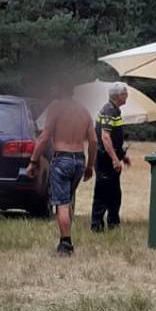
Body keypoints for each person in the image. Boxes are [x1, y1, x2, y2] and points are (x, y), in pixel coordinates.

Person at [28, 83, 96, 256]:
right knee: (68, 199)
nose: (52, 90)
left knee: (62, 204)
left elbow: (44, 137)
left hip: (62, 158)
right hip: (79, 160)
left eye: (54, 88)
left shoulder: (56, 108)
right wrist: (89, 166)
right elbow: (94, 141)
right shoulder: (84, 110)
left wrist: (33, 161)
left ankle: (66, 244)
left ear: (60, 89)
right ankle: (67, 235)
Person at [92, 82, 130, 232]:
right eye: (125, 93)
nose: (126, 96)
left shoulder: (115, 110)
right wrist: (114, 159)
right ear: (118, 95)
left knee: (114, 193)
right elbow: (105, 137)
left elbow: (114, 138)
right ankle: (97, 225)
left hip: (111, 157)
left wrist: (121, 156)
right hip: (104, 159)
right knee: (102, 192)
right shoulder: (108, 111)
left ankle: (113, 223)